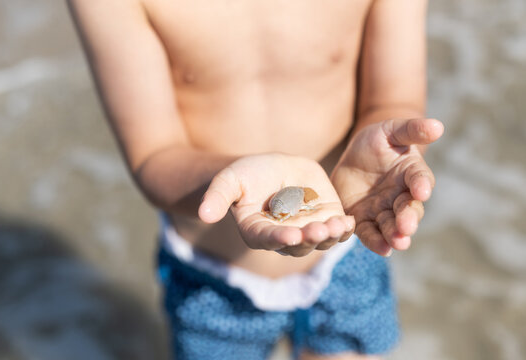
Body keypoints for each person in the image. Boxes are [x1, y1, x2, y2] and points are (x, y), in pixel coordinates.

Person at [68, 0, 444, 359]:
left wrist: (391, 148)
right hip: (214, 281)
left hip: (346, 249)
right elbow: (152, 156)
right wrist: (232, 181)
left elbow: (393, 100)